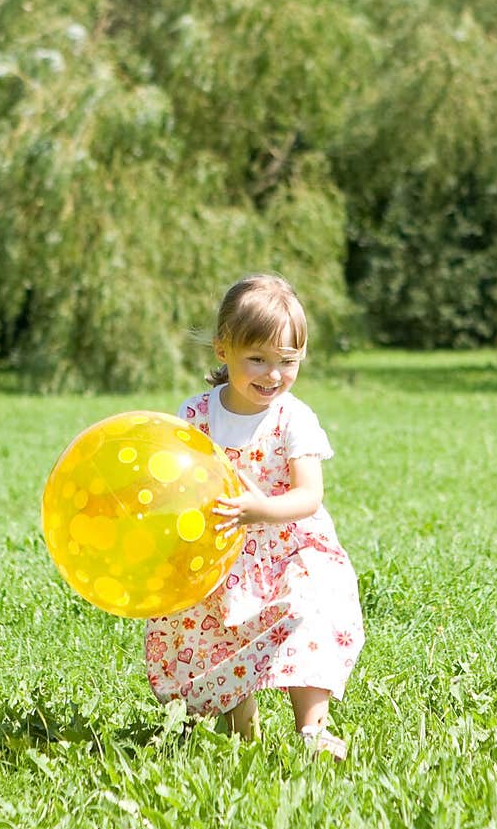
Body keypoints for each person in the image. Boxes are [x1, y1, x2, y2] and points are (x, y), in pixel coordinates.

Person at [143, 274, 364, 760]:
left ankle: (313, 730)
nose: (272, 375)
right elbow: (182, 479)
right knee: (219, 626)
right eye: (257, 359)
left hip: (288, 545)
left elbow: (308, 496)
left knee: (309, 609)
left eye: (287, 362)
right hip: (221, 546)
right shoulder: (197, 413)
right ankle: (239, 719)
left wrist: (261, 510)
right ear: (223, 351)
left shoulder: (293, 418)